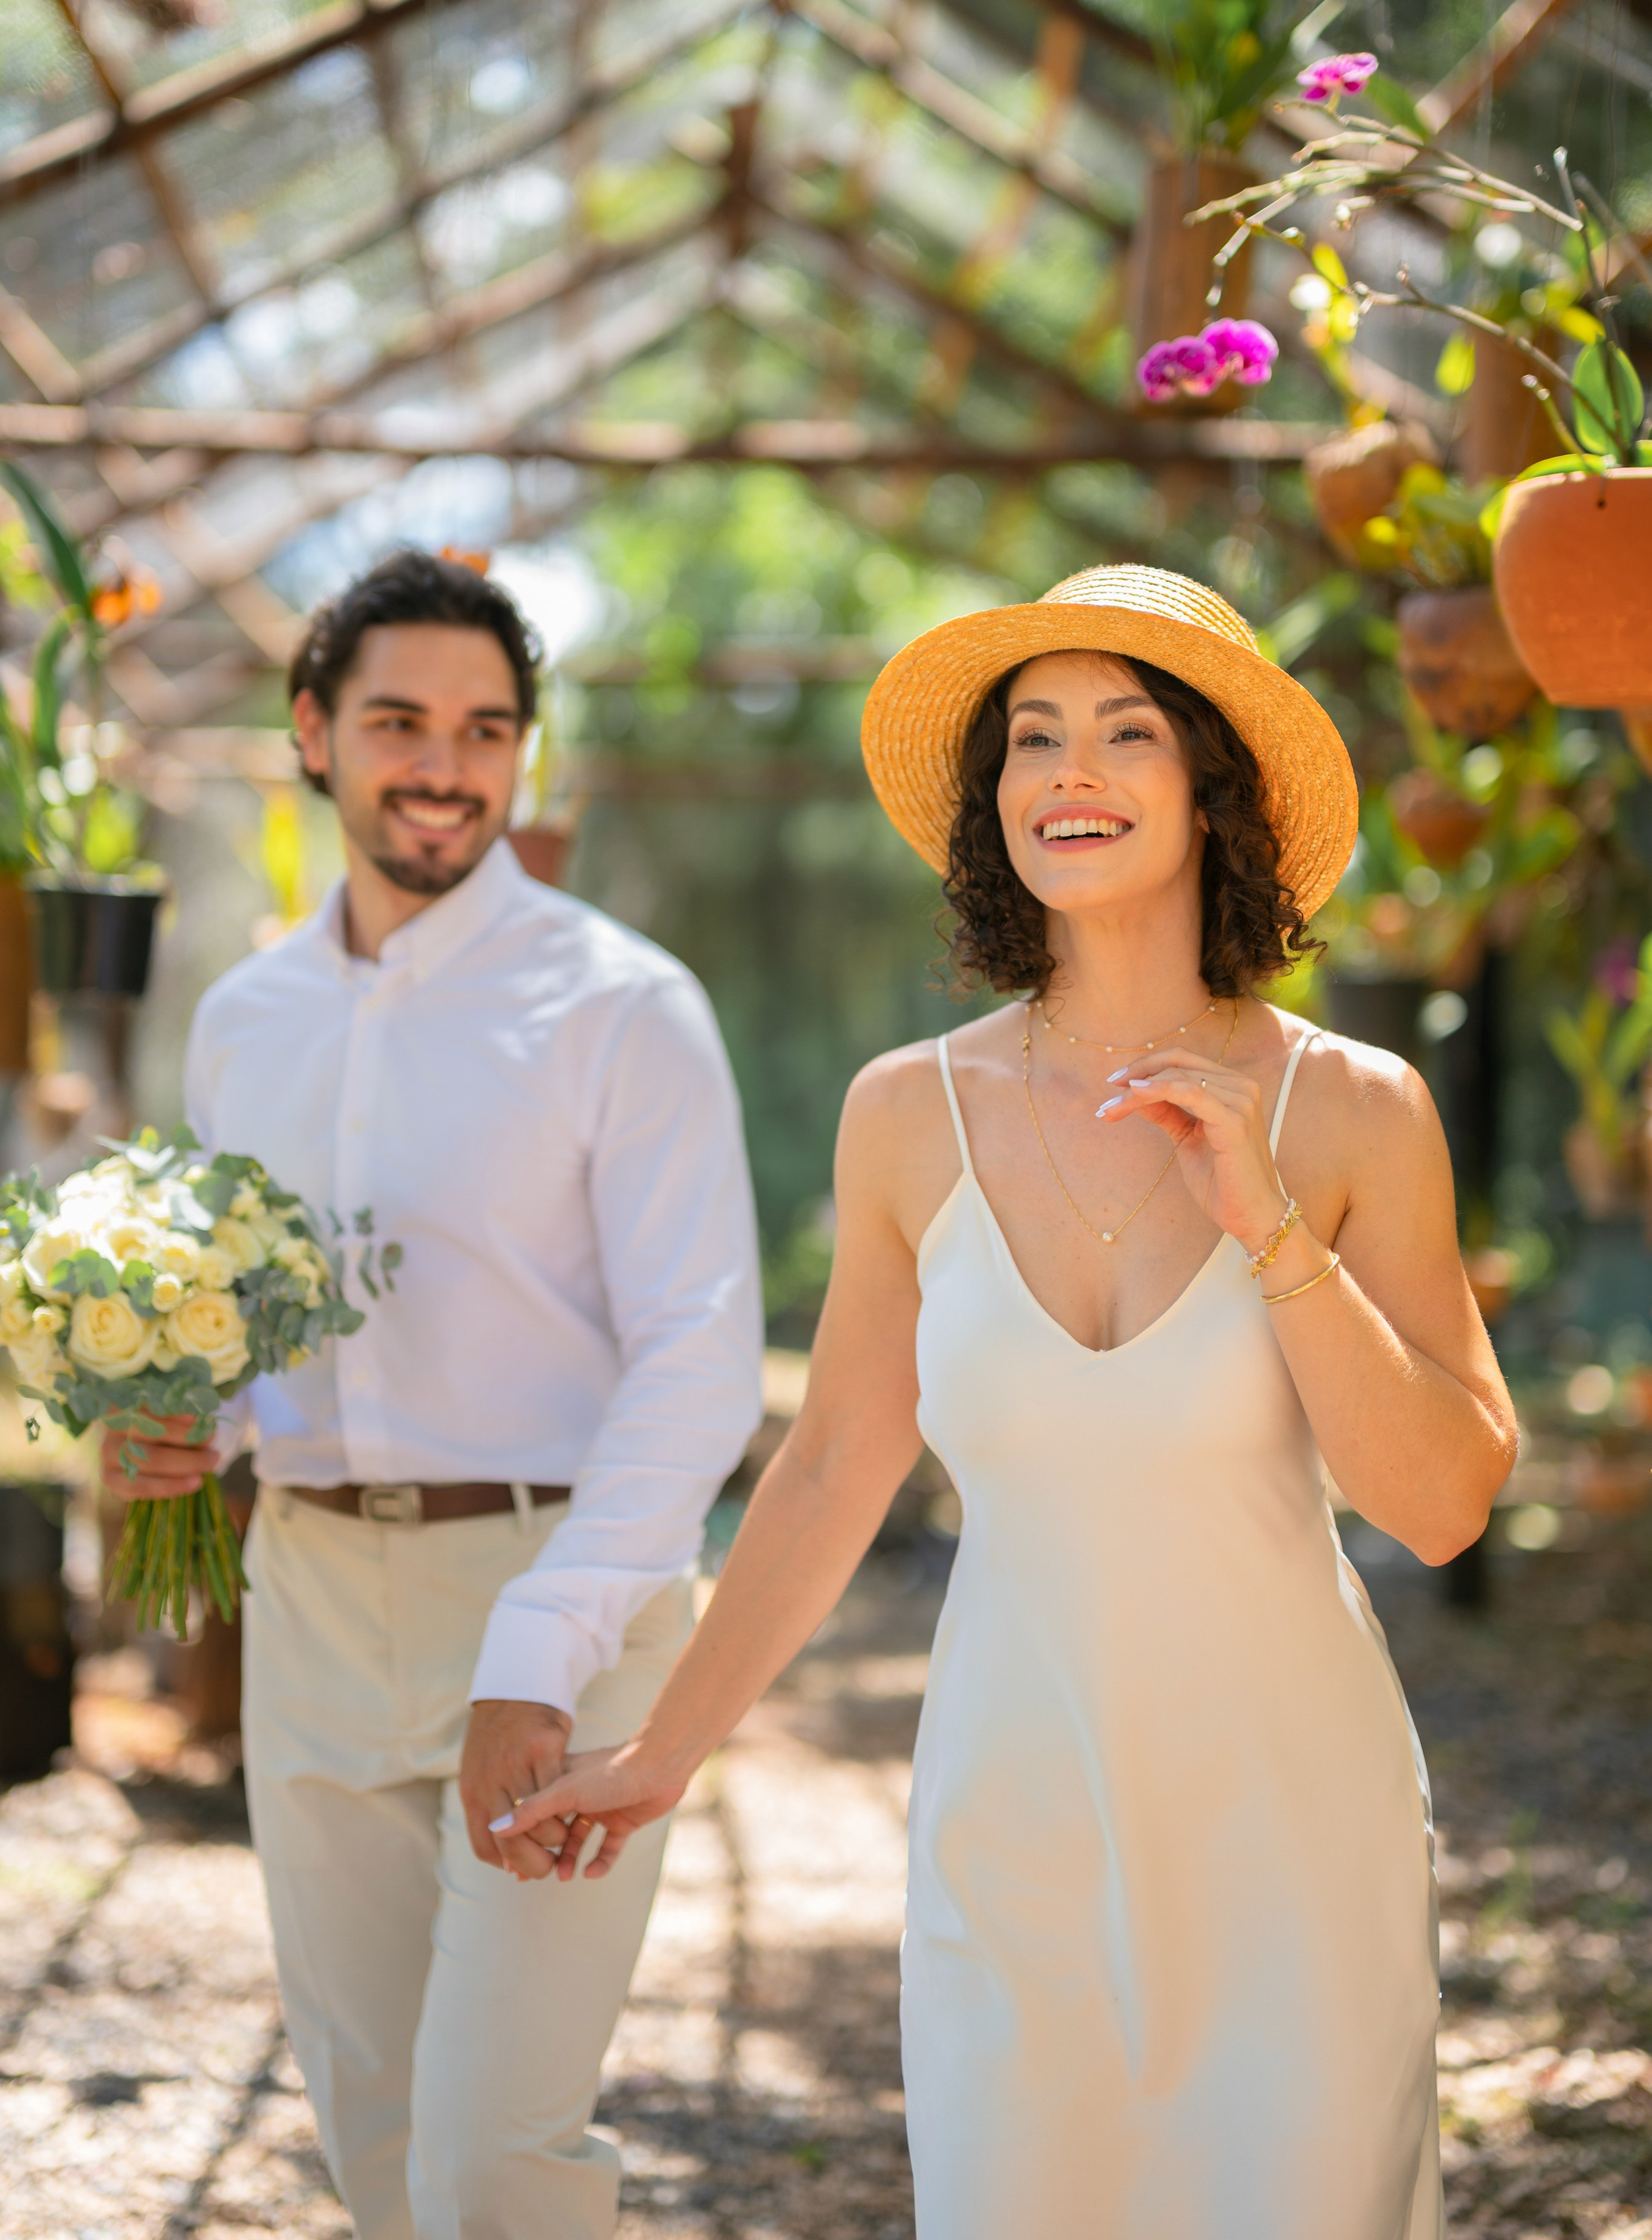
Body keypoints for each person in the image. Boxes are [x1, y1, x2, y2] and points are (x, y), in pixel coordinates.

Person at [498, 562, 1518, 2239]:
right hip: (1013, 1820)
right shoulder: (906, 1115)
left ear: (1211, 792)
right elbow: (830, 1467)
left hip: (1291, 1825)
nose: (1068, 771)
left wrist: (1265, 1224)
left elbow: (1438, 1500)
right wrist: (657, 1755)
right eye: (1030, 738)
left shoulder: (1353, 1110)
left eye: (1125, 732)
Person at [100, 548, 763, 2240]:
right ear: (312, 733)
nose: (445, 765)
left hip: (558, 1597)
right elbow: (248, 1321)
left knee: (496, 2161)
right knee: (379, 2148)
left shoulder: (625, 1009)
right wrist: (185, 1424)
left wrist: (540, 1653)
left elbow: (697, 1356)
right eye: (398, 719)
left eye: (485, 728)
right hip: (312, 1599)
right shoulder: (247, 1020)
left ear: (521, 754)